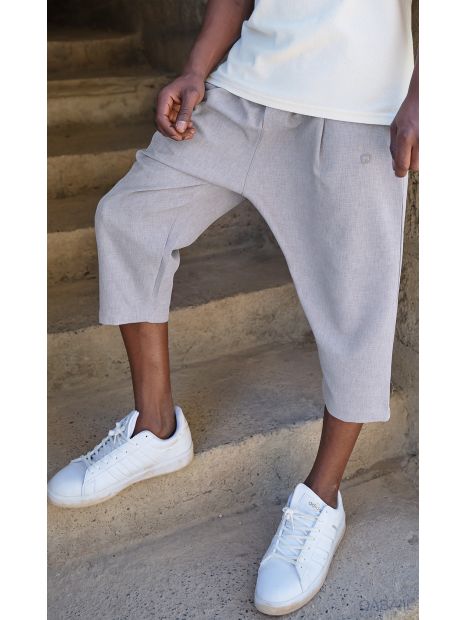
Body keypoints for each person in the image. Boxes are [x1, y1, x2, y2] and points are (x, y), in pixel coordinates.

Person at [48, 0, 418, 615]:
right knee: (131, 217)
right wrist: (197, 69)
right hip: (243, 92)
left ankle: (322, 496)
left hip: (358, 111)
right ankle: (156, 428)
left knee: (358, 309)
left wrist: (426, 94)